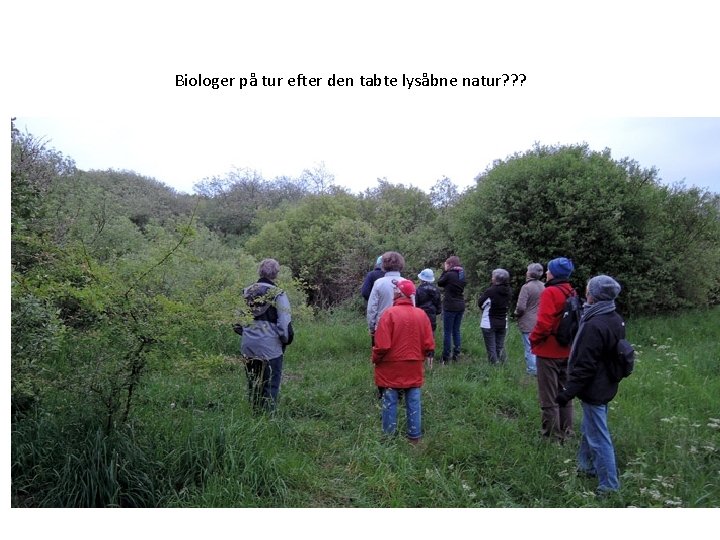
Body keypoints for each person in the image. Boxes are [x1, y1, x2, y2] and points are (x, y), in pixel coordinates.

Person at [557, 275, 625, 495]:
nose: (585, 292)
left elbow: (585, 366)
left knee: (598, 437)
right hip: (606, 383)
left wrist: (567, 392)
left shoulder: (594, 324)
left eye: (588, 289)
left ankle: (609, 487)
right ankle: (586, 467)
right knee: (590, 428)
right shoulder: (613, 317)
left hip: (595, 387)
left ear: (593, 295)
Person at [372, 279, 435, 443]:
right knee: (414, 400)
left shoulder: (389, 314)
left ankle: (388, 437)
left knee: (390, 400)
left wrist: (375, 358)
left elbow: (383, 345)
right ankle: (414, 436)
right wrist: (428, 354)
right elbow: (428, 342)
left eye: (395, 289)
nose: (393, 291)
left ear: (400, 293)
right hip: (414, 365)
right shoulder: (421, 314)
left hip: (391, 366)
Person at [530, 256, 577, 442]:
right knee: (564, 393)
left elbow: (544, 323)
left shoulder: (550, 292)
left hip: (548, 350)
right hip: (567, 349)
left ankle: (551, 435)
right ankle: (568, 431)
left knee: (548, 396)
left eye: (549, 270)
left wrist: (534, 340)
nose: (547, 273)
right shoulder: (571, 291)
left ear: (554, 273)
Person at [240, 258, 293, 413]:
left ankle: (254, 414)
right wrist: (285, 341)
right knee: (270, 384)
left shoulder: (246, 292)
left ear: (259, 272)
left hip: (248, 346)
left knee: (253, 382)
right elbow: (284, 325)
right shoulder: (278, 294)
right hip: (270, 348)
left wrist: (247, 334)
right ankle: (268, 418)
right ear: (276, 274)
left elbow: (236, 322)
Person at [366, 251, 407, 341]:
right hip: (402, 326)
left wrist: (372, 326)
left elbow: (372, 307)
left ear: (383, 265)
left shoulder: (379, 283)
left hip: (382, 325)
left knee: (380, 352)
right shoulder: (407, 283)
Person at [514, 263, 545, 376]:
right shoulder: (544, 286)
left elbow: (521, 307)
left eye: (527, 270)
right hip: (540, 320)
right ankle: (539, 368)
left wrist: (516, 313)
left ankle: (532, 370)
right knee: (538, 346)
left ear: (530, 273)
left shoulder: (526, 287)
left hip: (528, 321)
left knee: (529, 347)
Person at [477, 268, 512, 365]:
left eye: (493, 277)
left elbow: (481, 303)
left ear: (496, 279)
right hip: (503, 322)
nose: (491, 278)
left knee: (491, 347)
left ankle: (494, 367)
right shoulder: (508, 291)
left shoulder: (491, 291)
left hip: (489, 322)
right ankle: (504, 365)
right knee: (500, 346)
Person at [437, 255, 466, 364]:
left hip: (450, 306)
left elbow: (440, 282)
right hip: (460, 305)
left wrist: (445, 271)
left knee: (447, 332)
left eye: (446, 264)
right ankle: (456, 354)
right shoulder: (462, 274)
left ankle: (445, 356)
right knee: (456, 330)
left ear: (450, 265)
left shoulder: (449, 274)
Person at [415, 268, 441, 367]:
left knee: (420, 338)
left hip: (420, 317)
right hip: (432, 317)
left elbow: (415, 304)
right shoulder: (436, 290)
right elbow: (439, 308)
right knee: (431, 339)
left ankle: (420, 361)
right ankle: (430, 364)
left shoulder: (418, 290)